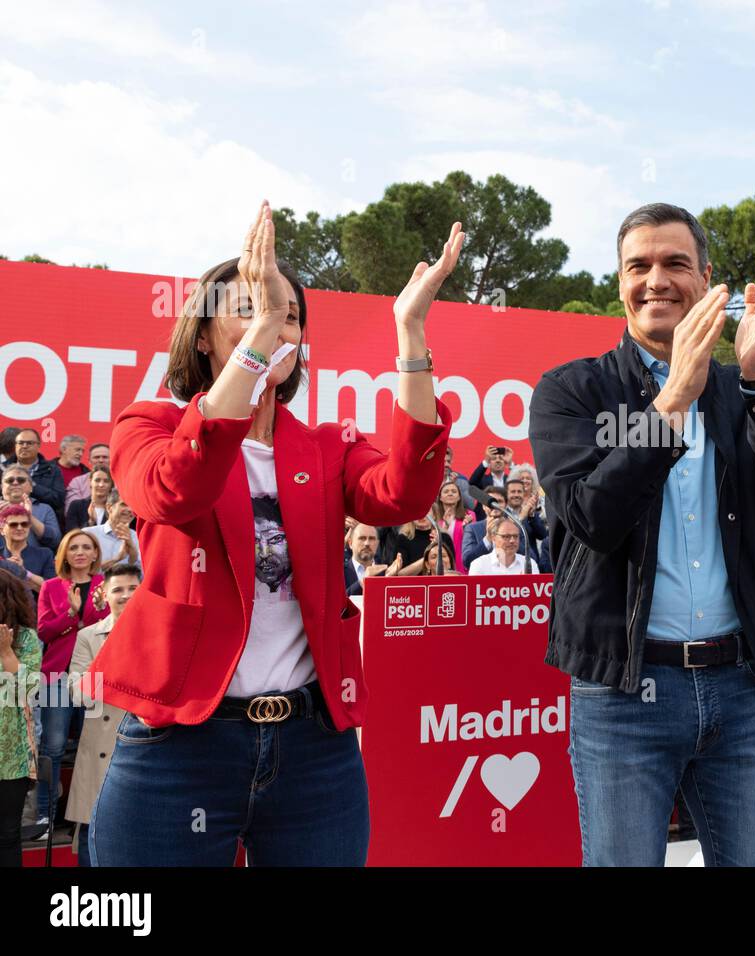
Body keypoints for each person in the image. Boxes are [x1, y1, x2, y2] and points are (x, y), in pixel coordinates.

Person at [86, 202, 455, 867]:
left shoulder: (325, 445)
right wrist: (259, 343)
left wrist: (410, 336)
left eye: (288, 315)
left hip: (314, 751)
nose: (274, 323)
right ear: (203, 336)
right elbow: (175, 488)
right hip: (180, 743)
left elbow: (405, 493)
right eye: (251, 307)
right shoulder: (151, 425)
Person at [529, 202, 755, 866]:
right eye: (639, 265)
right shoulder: (572, 391)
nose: (656, 280)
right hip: (623, 697)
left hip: (743, 691)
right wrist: (670, 405)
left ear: (706, 277)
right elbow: (590, 518)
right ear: (619, 282)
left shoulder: (739, 389)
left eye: (675, 263)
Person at [33, 530, 110, 840]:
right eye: (73, 547)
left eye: (86, 547)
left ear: (94, 554)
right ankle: (44, 817)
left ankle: (94, 813)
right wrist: (70, 613)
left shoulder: (104, 586)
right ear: (64, 554)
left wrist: (88, 613)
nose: (80, 552)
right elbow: (43, 632)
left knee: (95, 747)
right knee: (52, 747)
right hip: (57, 676)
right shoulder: (51, 587)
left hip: (96, 674)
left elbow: (110, 626)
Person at [65, 563, 140, 866]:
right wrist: (113, 661)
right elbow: (77, 692)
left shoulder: (161, 632)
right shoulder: (88, 637)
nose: (125, 596)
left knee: (141, 830)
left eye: (133, 589)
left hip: (147, 742)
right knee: (91, 830)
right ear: (105, 595)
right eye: (118, 590)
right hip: (100, 745)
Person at [0, 572, 41, 867]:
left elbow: (27, 690)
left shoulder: (26, 638)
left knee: (8, 835)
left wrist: (5, 652)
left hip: (11, 759)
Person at [1, 464, 61, 550]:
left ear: (31, 488)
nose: (15, 483)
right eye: (10, 480)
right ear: (2, 487)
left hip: (35, 562)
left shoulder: (45, 509)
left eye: (21, 480)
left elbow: (55, 541)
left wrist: (29, 517)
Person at [10, 429, 65, 515]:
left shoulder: (52, 470)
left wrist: (32, 485)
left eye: (29, 443)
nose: (24, 446)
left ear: (38, 446)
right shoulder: (3, 469)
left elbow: (58, 501)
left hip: (43, 518)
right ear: (15, 446)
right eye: (20, 443)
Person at [84, 491, 140, 573]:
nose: (130, 509)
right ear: (109, 508)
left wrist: (133, 556)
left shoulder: (139, 538)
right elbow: (82, 572)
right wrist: (116, 559)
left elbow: (143, 577)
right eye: (124, 504)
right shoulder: (88, 534)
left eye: (132, 506)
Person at [0, 503, 55, 586]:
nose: (19, 528)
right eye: (13, 524)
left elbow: (53, 587)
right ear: (2, 530)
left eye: (24, 524)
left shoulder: (45, 554)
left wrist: (25, 573)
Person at [428, 480, 473, 573]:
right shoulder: (435, 517)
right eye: (446, 491)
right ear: (440, 497)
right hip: (442, 564)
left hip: (462, 564)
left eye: (454, 491)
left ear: (459, 497)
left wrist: (467, 529)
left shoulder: (469, 515)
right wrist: (445, 528)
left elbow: (471, 542)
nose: (450, 493)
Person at [460, 486, 507, 566]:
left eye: (499, 501)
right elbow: (467, 561)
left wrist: (510, 537)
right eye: (491, 502)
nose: (495, 505)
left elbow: (530, 557)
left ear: (506, 505)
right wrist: (487, 539)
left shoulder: (515, 527)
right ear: (483, 506)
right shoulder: (472, 529)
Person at [63, 444, 110, 517]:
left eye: (105, 457)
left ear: (112, 459)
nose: (101, 460)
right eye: (96, 457)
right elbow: (71, 512)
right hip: (84, 525)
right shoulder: (77, 482)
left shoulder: (121, 481)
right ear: (89, 460)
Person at [65, 467, 113, 531]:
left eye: (106, 481)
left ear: (111, 484)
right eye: (97, 480)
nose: (101, 485)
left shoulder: (115, 508)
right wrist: (90, 522)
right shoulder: (76, 506)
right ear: (90, 482)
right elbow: (72, 534)